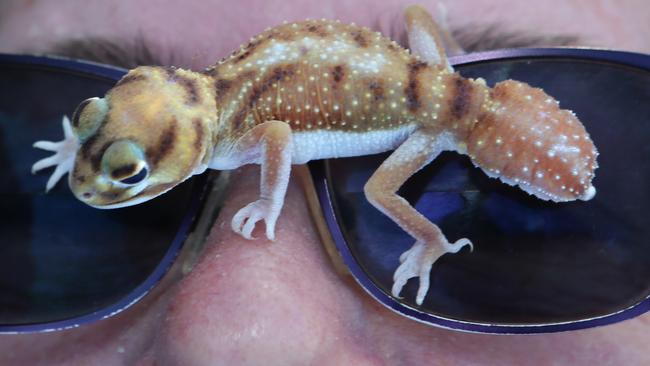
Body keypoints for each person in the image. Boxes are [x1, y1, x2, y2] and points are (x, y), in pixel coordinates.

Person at [0, 0, 649, 364]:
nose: (247, 343)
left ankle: (427, 243)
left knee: (379, 191)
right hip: (425, 77)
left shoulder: (230, 138)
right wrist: (82, 142)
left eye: (498, 222)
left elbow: (276, 140)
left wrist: (267, 201)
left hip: (424, 117)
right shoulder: (209, 111)